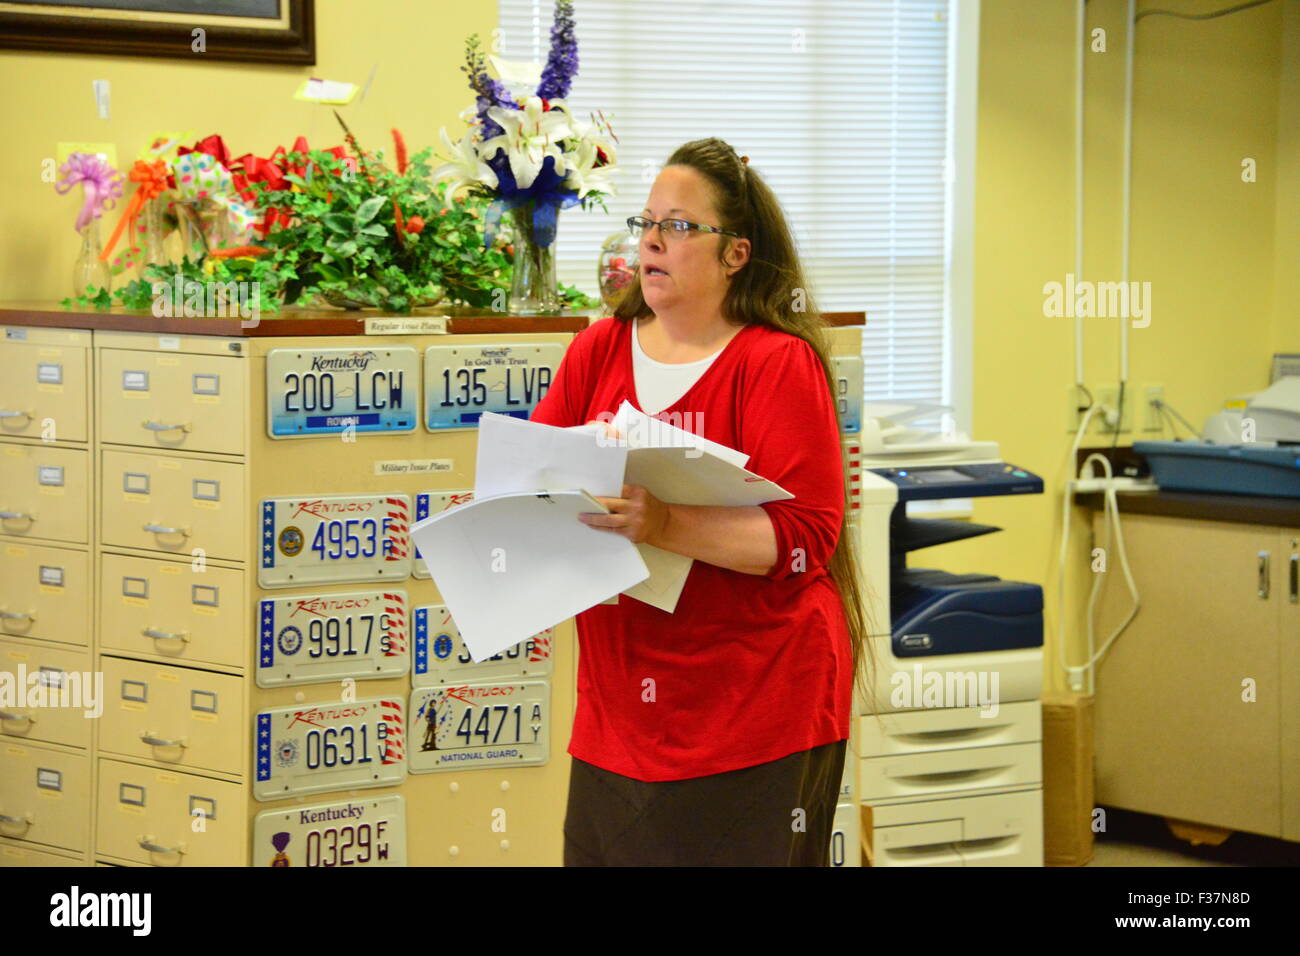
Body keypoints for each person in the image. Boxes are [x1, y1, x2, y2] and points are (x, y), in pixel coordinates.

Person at [528, 137, 871, 866]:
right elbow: (532, 477)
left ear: (736, 255)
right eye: (647, 221)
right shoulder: (598, 350)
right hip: (621, 705)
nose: (651, 240)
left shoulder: (776, 361)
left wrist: (666, 522)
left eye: (680, 226)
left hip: (756, 704)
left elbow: (809, 535)